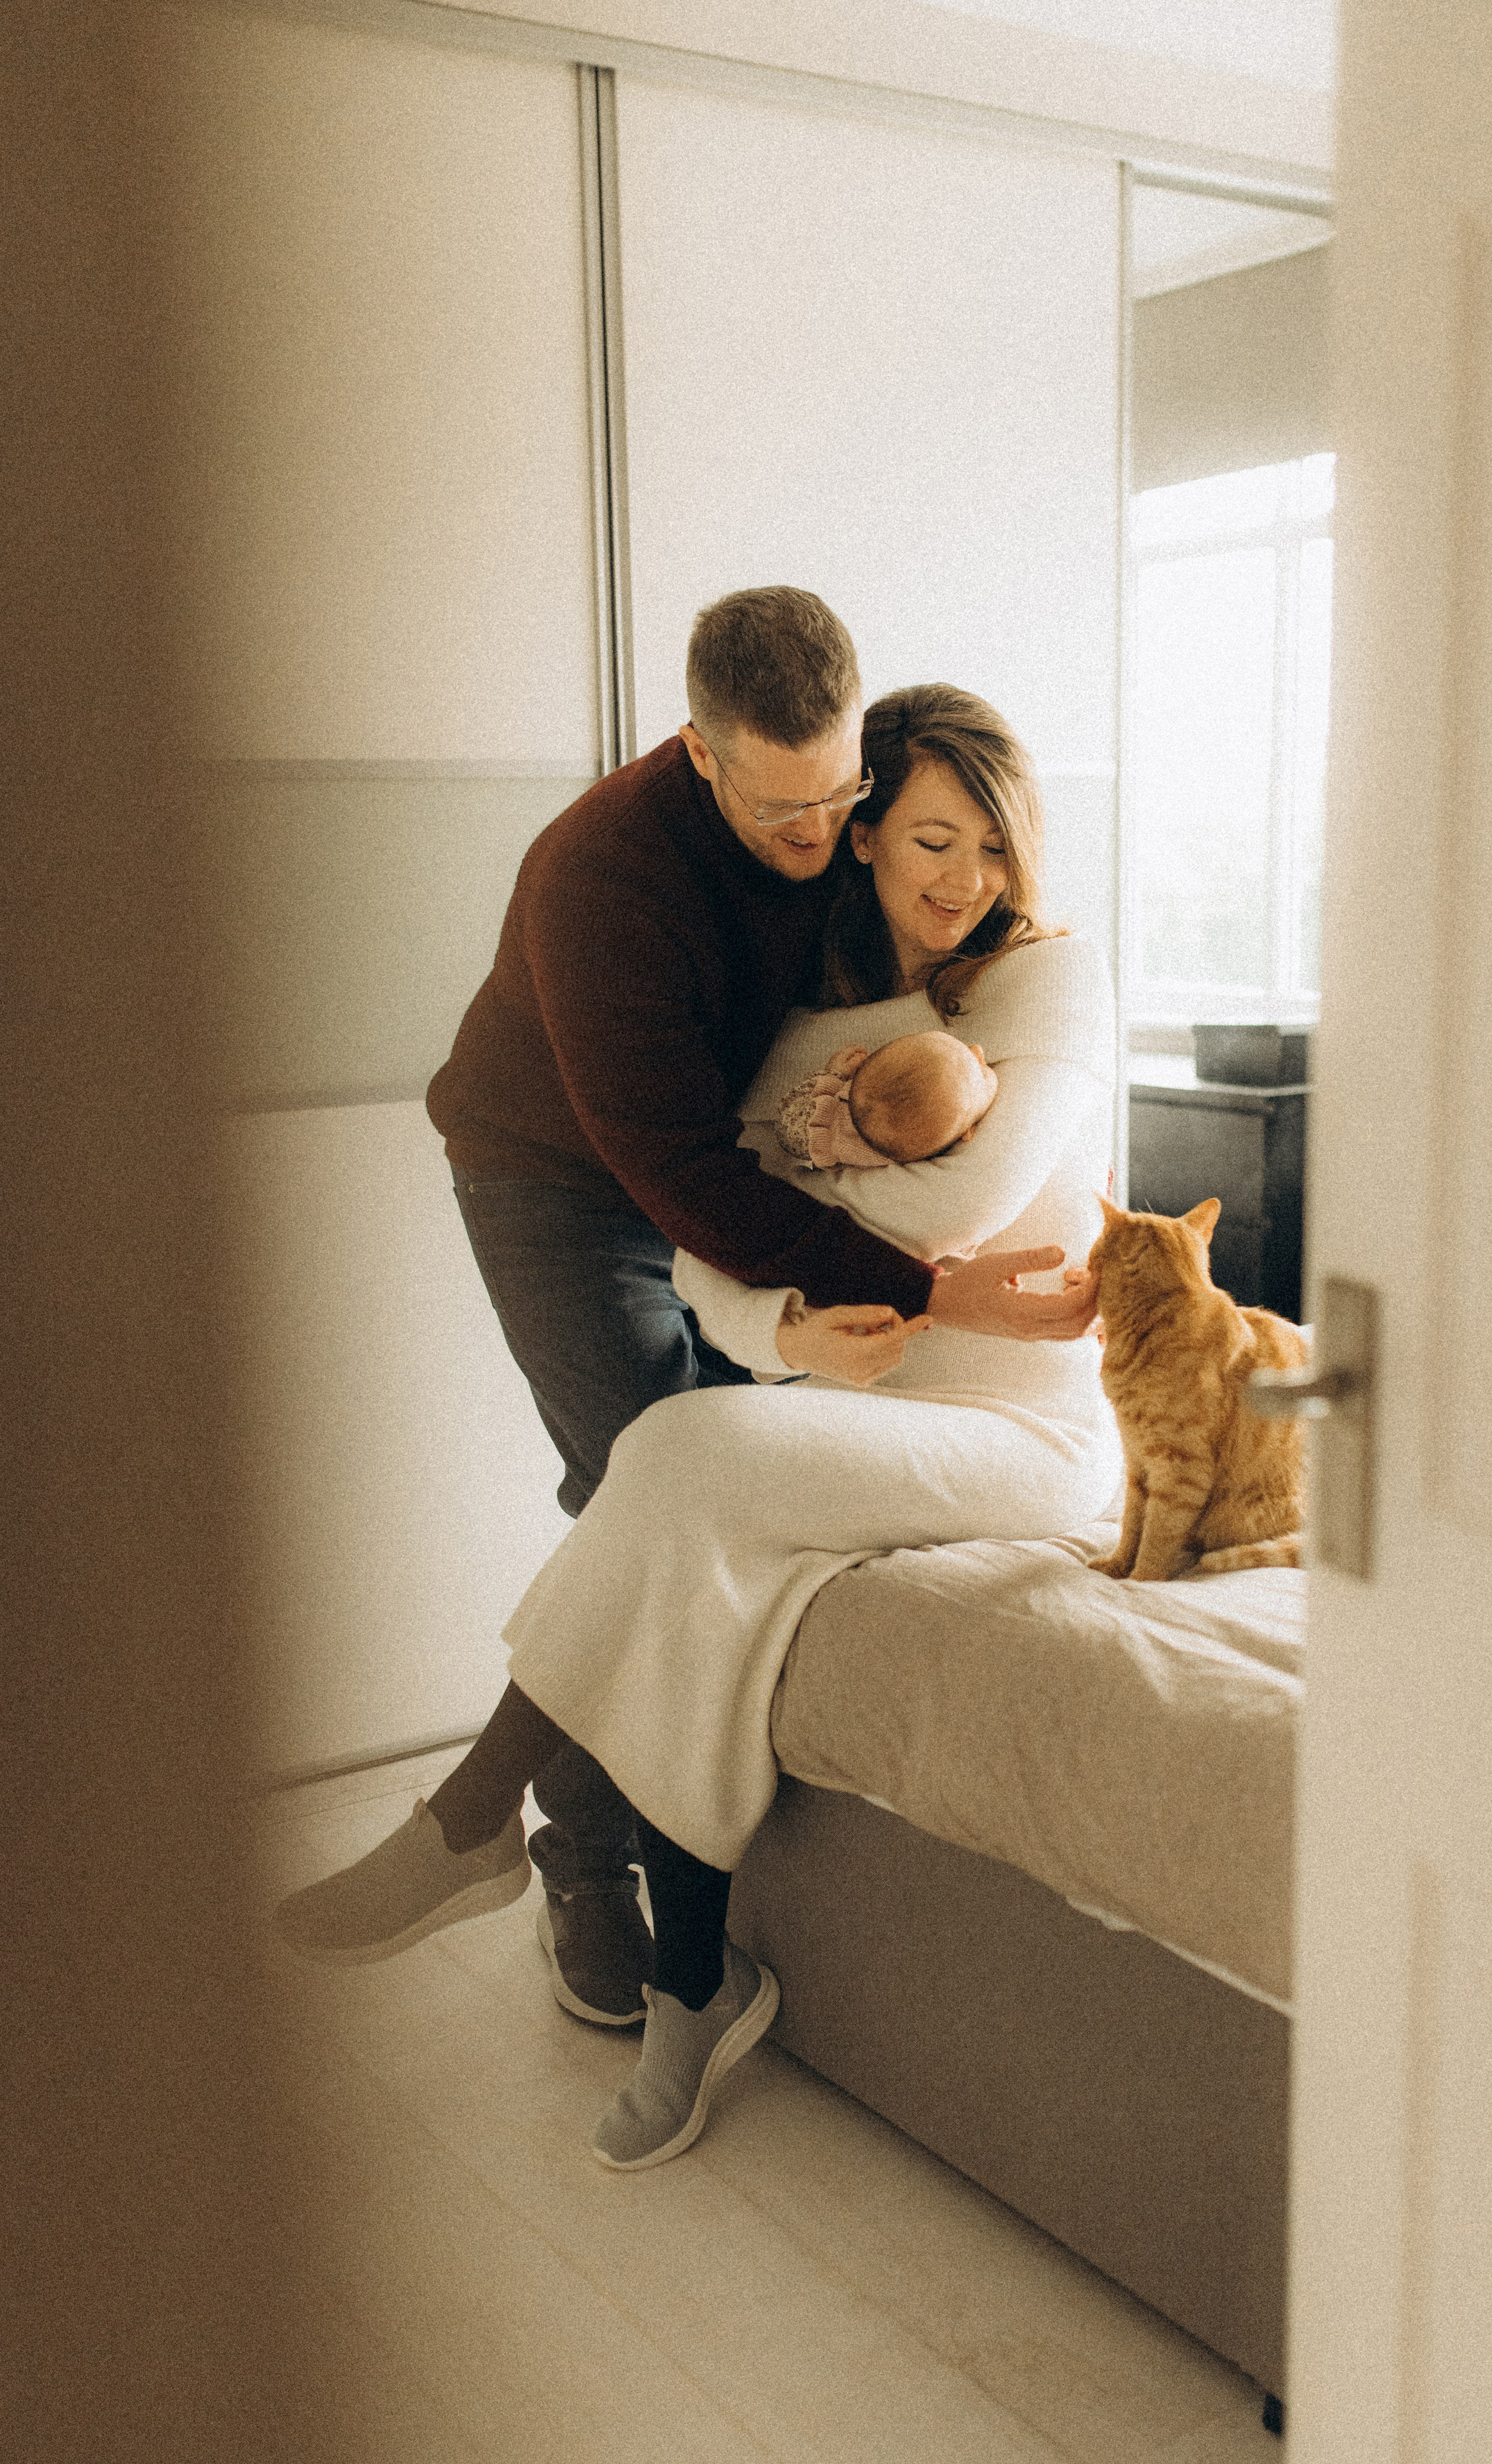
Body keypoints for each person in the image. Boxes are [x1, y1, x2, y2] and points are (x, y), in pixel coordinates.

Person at [278, 684, 1121, 2170]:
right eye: (929, 836)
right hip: (854, 1417)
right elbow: (700, 1247)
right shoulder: (805, 1012)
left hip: (1030, 1443)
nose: (962, 879)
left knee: (669, 1457)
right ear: (858, 837)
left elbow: (961, 1208)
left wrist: (818, 1184)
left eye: (991, 846)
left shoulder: (1052, 981)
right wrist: (783, 1325)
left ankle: (477, 1818)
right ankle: (692, 1982)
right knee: (699, 1553)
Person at [420, 590, 1103, 2025]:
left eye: (837, 801)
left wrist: (864, 1138)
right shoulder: (599, 877)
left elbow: (834, 1157)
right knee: (639, 1467)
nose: (815, 848)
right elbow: (682, 1175)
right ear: (698, 753)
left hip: (734, 1188)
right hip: (554, 1174)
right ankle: (588, 1866)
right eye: (785, 812)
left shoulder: (889, 888)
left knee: (677, 1475)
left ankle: (575, 1865)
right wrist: (854, 1286)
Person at [772, 1030, 997, 1169]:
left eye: (978, 1069)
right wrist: (835, 1078)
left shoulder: (935, 1130)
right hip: (815, 1119)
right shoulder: (939, 1135)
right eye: (964, 1050)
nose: (978, 1050)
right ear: (968, 1132)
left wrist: (836, 1076)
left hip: (815, 1126)